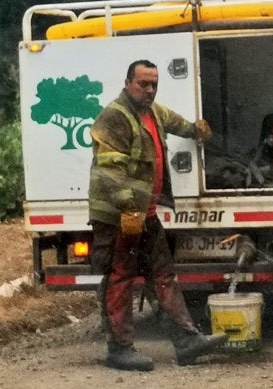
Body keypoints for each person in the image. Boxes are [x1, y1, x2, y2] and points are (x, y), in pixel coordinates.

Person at [88, 60, 227, 371]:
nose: (149, 90)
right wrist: (129, 208)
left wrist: (196, 130)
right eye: (143, 84)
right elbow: (109, 171)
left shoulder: (152, 112)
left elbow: (177, 123)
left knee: (163, 275)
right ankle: (119, 349)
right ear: (127, 83)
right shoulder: (114, 117)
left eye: (154, 84)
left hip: (144, 213)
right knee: (119, 278)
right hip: (118, 217)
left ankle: (187, 341)